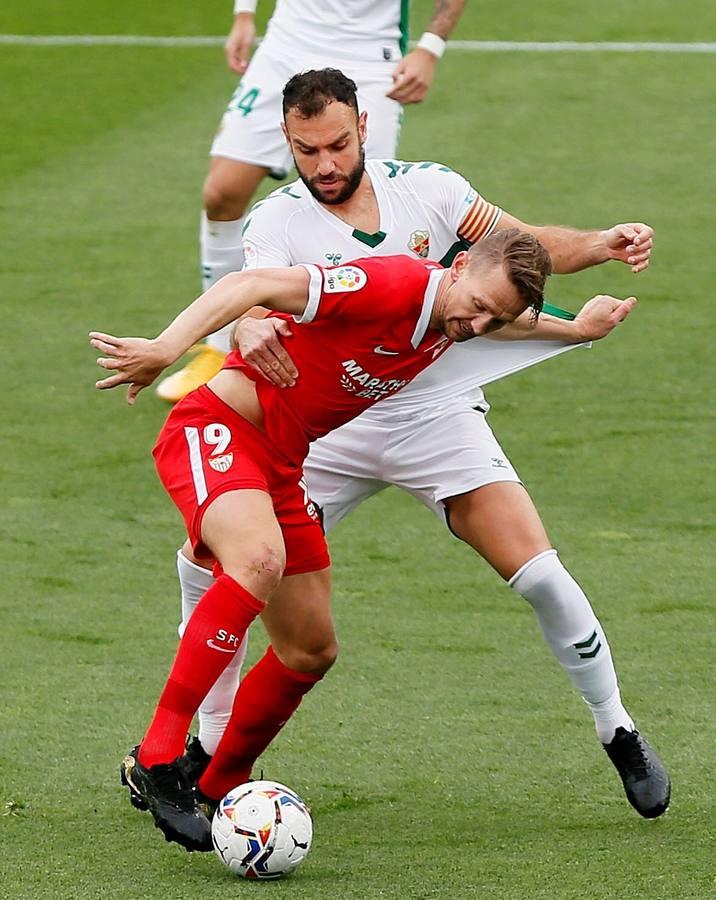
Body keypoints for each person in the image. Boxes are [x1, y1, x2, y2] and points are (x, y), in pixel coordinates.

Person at [168, 70, 670, 823]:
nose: (326, 164)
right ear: (289, 146)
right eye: (307, 151)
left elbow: (519, 248)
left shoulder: (431, 190)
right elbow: (247, 298)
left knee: (539, 572)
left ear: (364, 127)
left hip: (434, 414)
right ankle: (201, 760)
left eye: (338, 144)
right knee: (222, 575)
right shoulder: (274, 222)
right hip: (324, 431)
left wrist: (599, 244)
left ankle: (617, 728)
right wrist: (245, 329)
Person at [92, 229, 569, 850]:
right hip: (218, 426)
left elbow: (510, 322)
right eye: (478, 305)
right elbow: (249, 285)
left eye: (493, 318)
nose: (478, 325)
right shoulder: (391, 284)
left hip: (283, 465)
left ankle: (213, 783)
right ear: (455, 268)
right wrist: (166, 348)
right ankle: (158, 759)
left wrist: (577, 328)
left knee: (310, 648)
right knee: (259, 560)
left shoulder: (459, 316)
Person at [155, 0, 467, 402]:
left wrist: (430, 47)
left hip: (368, 54)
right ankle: (220, 347)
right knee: (222, 193)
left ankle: (367, 363)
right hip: (288, 41)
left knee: (365, 210)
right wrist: (244, 15)